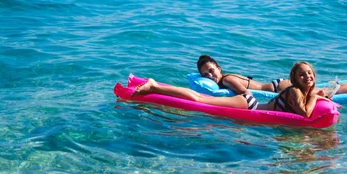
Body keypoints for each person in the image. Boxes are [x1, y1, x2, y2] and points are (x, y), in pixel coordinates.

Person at [133, 62, 328, 118]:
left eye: (310, 73)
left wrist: (316, 94)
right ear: (295, 78)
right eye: (303, 74)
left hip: (252, 103)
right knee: (200, 100)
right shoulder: (295, 91)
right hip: (250, 106)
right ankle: (155, 85)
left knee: (201, 99)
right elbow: (306, 113)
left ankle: (156, 86)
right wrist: (313, 95)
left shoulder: (302, 92)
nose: (307, 77)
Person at [196, 55, 347, 97]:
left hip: (277, 88)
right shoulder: (226, 75)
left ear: (219, 69)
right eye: (206, 74)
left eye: (212, 71)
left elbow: (245, 93)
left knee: (323, 93)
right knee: (320, 89)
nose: (210, 76)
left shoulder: (227, 79)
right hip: (277, 84)